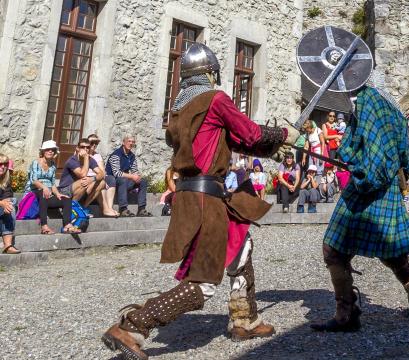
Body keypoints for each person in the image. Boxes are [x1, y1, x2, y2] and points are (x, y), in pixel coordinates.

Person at [101, 43, 299, 359]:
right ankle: (133, 325)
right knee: (204, 280)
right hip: (207, 198)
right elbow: (248, 132)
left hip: (195, 194)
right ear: (210, 73)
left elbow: (232, 140)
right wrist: (283, 134)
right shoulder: (216, 99)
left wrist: (271, 148)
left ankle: (244, 318)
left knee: (241, 249)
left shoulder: (181, 111)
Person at [311, 73, 409, 333]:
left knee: (333, 248)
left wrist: (353, 163)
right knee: (393, 250)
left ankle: (346, 313)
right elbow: (404, 156)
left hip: (364, 186)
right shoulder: (394, 107)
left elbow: (357, 147)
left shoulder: (367, 100)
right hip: (387, 188)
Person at [25, 140, 79, 234]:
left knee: (66, 199)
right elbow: (34, 180)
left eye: (52, 150)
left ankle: (67, 225)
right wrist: (44, 187)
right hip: (33, 193)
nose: (50, 151)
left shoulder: (53, 165)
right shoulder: (35, 163)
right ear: (43, 151)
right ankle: (44, 226)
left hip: (46, 195)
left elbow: (53, 183)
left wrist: (58, 194)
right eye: (48, 149)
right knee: (43, 192)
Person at [106, 135, 152, 217]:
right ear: (123, 143)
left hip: (125, 181)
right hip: (113, 182)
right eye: (129, 141)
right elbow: (116, 173)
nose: (131, 143)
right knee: (122, 179)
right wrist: (132, 176)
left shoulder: (132, 156)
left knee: (143, 181)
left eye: (133, 142)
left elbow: (134, 170)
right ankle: (123, 209)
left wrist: (137, 176)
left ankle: (141, 209)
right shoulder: (116, 155)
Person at [58, 138, 106, 212]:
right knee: (83, 181)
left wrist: (91, 179)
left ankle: (83, 207)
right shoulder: (72, 160)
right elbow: (82, 175)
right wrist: (86, 158)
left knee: (102, 183)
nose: (85, 149)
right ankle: (69, 209)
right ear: (77, 148)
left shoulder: (91, 160)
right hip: (65, 190)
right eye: (82, 147)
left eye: (88, 147)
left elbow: (102, 174)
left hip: (80, 190)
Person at [88, 134, 119, 217]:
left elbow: (103, 171)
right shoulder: (82, 154)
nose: (94, 145)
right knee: (101, 182)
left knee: (111, 179)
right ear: (87, 143)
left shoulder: (97, 155)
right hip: (89, 177)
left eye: (96, 143)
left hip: (98, 176)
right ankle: (105, 209)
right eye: (92, 142)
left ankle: (109, 208)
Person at [0, 154, 20, 254]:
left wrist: (5, 204)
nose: (3, 166)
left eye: (5, 164)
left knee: (11, 204)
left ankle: (8, 245)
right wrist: (1, 203)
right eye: (0, 164)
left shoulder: (6, 180)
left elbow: (7, 198)